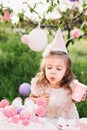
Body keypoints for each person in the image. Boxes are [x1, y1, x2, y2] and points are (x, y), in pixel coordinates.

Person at [29, 28, 87, 129]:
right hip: (46, 121)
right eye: (49, 67)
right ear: (44, 68)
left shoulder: (71, 85)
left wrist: (79, 98)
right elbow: (30, 99)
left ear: (66, 72)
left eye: (59, 69)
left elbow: (72, 100)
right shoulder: (40, 84)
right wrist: (38, 100)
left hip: (66, 120)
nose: (53, 71)